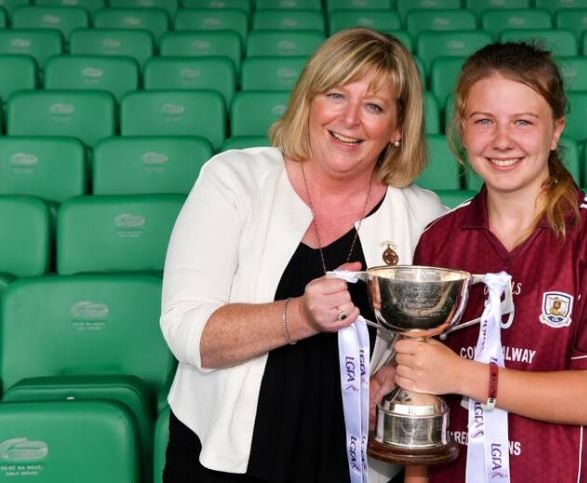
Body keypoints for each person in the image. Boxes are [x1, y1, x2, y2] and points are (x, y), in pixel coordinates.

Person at [159, 27, 447, 482]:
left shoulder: (421, 213)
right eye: (335, 95)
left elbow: (438, 332)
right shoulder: (233, 180)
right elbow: (188, 333)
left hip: (358, 464)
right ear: (308, 102)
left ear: (397, 129)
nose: (349, 119)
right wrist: (301, 315)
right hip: (223, 459)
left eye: (373, 106)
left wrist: (392, 373)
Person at [389, 42, 587, 482]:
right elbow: (421, 383)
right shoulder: (439, 239)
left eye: (523, 122)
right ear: (462, 130)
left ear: (556, 130)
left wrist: (464, 376)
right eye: (484, 121)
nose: (502, 141)